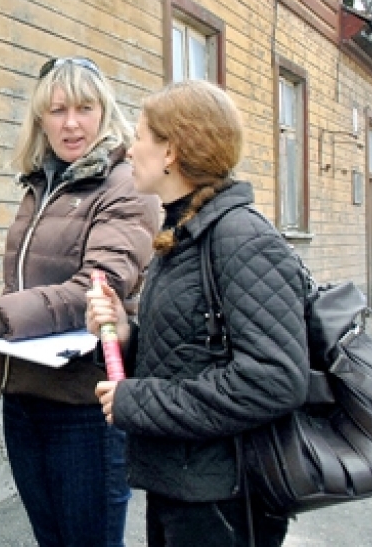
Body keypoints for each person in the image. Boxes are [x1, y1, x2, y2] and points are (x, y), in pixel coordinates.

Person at [0, 57, 159, 547]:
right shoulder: (43, 185)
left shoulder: (125, 185)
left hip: (86, 406)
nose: (71, 123)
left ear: (105, 112)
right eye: (57, 109)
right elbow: (24, 291)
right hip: (24, 400)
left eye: (84, 108)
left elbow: (96, 288)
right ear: (40, 119)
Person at [87, 79, 310, 547]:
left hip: (224, 500)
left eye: (142, 136)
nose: (130, 149)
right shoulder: (187, 234)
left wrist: (138, 402)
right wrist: (126, 336)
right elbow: (192, 348)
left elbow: (275, 377)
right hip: (183, 484)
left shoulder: (240, 238)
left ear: (171, 151)